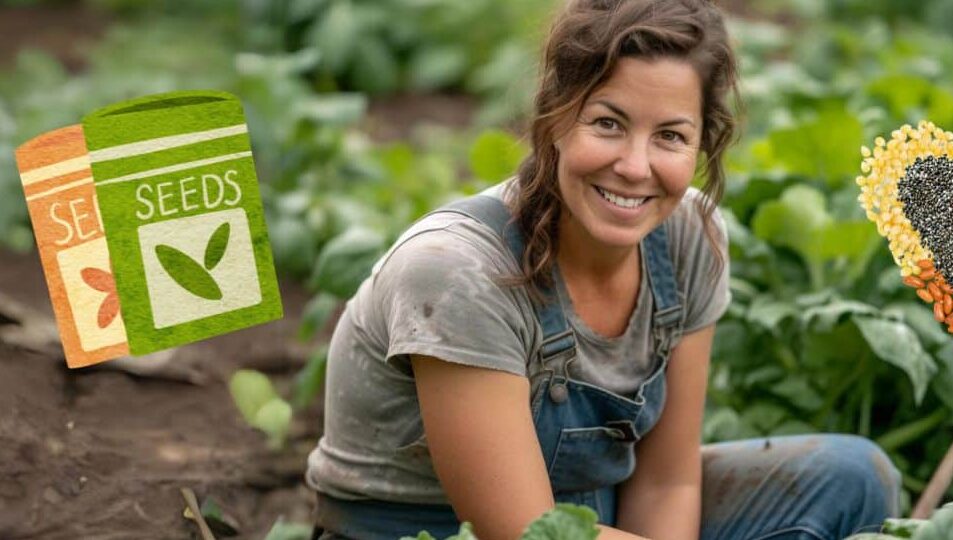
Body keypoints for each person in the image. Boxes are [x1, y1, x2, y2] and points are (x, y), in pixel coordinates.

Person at [305, 0, 902, 538]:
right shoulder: (455, 272)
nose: (635, 167)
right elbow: (525, 533)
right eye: (608, 123)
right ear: (556, 120)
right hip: (436, 530)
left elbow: (668, 483)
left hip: (594, 512)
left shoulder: (689, 237)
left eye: (670, 136)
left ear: (702, 145)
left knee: (851, 478)